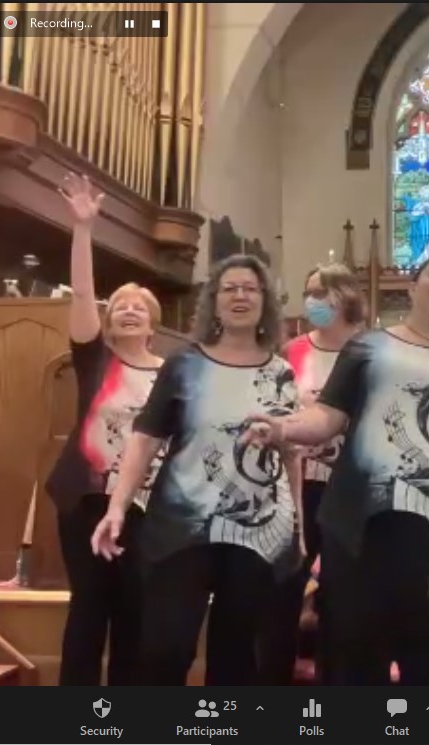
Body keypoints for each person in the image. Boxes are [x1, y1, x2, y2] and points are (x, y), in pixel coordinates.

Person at [242, 251, 429, 685]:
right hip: (358, 521)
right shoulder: (368, 346)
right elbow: (327, 418)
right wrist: (282, 427)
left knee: (427, 655)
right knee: (354, 654)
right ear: (411, 287)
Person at [90, 254, 302, 685]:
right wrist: (116, 507)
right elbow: (146, 438)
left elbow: (290, 453)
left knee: (237, 653)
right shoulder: (184, 364)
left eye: (250, 288)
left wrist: (297, 520)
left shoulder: (280, 371)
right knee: (166, 648)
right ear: (214, 301)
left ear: (265, 302)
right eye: (230, 288)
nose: (240, 295)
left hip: (256, 528)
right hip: (181, 526)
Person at [43, 173, 164, 686]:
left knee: (135, 611)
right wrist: (83, 229)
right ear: (108, 322)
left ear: (153, 324)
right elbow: (85, 293)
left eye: (140, 307)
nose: (129, 310)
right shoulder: (95, 359)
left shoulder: (170, 373)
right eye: (120, 307)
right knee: (90, 607)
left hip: (148, 503)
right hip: (89, 499)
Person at [263, 263, 367, 683]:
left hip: (349, 489)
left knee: (343, 597)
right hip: (296, 484)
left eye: (322, 293)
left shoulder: (370, 350)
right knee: (283, 589)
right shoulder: (291, 352)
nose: (313, 302)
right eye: (309, 293)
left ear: (345, 296)